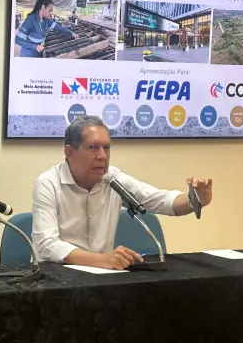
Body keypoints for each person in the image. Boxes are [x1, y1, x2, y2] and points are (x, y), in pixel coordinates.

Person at [32, 116, 213, 270]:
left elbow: (159, 199)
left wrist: (194, 200)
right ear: (70, 153)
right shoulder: (48, 184)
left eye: (106, 147)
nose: (102, 156)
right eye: (93, 148)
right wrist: (100, 259)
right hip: (55, 279)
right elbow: (46, 245)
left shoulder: (112, 179)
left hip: (102, 277)